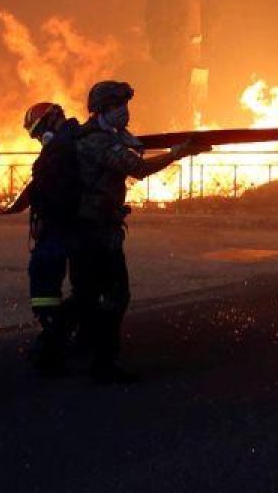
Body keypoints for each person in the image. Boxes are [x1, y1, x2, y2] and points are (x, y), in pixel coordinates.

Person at [72, 81, 207, 384]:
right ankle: (103, 363)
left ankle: (74, 347)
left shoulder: (102, 136)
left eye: (125, 105)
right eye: (117, 106)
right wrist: (176, 153)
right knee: (116, 295)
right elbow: (138, 169)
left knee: (87, 294)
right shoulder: (99, 141)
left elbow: (131, 148)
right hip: (96, 231)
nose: (124, 111)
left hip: (88, 228)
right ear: (102, 109)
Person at [21, 102, 83, 375]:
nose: (38, 139)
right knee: (68, 285)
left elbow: (57, 189)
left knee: (44, 279)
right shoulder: (70, 141)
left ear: (51, 122)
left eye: (38, 132)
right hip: (61, 224)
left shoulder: (63, 146)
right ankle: (59, 338)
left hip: (60, 225)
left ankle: (52, 344)